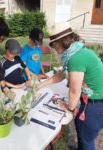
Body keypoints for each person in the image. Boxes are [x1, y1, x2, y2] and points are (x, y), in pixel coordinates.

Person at [36, 22, 103, 150]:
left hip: (96, 106)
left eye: (53, 44)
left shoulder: (75, 58)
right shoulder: (77, 51)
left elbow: (74, 91)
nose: (53, 48)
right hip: (95, 102)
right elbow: (63, 74)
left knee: (86, 139)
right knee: (83, 133)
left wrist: (70, 108)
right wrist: (42, 85)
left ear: (61, 42)